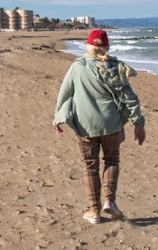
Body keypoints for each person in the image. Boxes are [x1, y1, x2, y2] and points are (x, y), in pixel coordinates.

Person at [53, 29, 146, 224]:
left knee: (90, 166)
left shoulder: (78, 67)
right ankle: (109, 201)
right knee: (111, 160)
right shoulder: (116, 68)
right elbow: (130, 98)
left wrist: (58, 118)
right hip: (111, 124)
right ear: (107, 46)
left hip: (85, 125)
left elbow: (65, 92)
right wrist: (139, 123)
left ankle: (94, 211)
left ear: (88, 46)